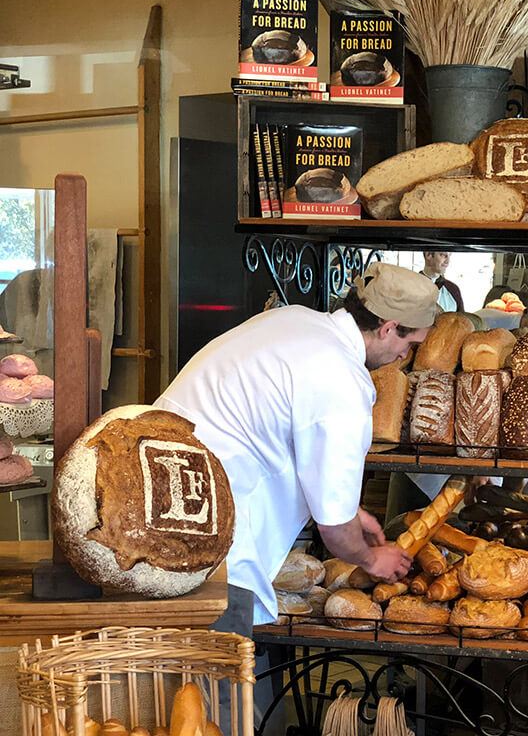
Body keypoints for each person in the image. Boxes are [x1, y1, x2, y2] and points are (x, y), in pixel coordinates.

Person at [155, 262, 439, 636]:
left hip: (156, 494)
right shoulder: (343, 382)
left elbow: (277, 428)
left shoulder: (293, 319)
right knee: (215, 677)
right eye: (409, 343)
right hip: (215, 533)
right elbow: (335, 531)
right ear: (387, 328)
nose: (405, 355)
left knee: (169, 676)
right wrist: (371, 559)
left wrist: (349, 508)